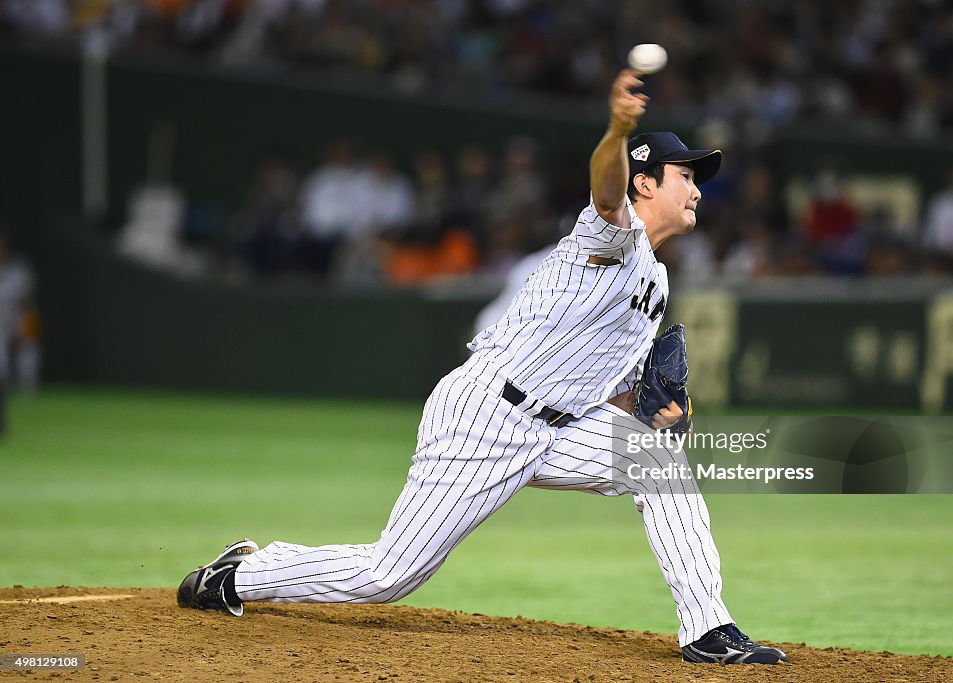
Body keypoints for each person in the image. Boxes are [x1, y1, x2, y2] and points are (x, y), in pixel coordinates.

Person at [177, 69, 787, 666]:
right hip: (487, 415)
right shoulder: (608, 239)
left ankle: (709, 628)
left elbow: (610, 389)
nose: (698, 189)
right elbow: (606, 189)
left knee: (660, 464)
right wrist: (617, 132)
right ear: (646, 183)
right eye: (686, 175)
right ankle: (240, 575)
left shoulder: (652, 279)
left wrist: (655, 410)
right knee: (388, 576)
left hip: (560, 427)